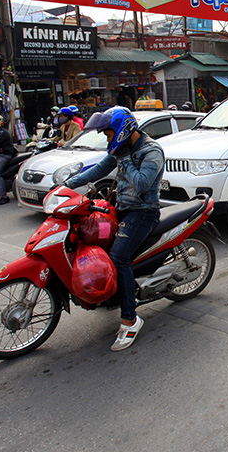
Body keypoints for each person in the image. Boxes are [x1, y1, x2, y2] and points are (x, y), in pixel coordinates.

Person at [62, 106, 164, 352]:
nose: (108, 139)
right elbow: (99, 170)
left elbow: (142, 183)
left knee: (119, 258)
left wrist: (125, 159)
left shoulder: (151, 151)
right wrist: (67, 185)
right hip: (122, 208)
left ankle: (130, 319)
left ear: (122, 131)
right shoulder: (120, 148)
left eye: (108, 134)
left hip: (143, 212)